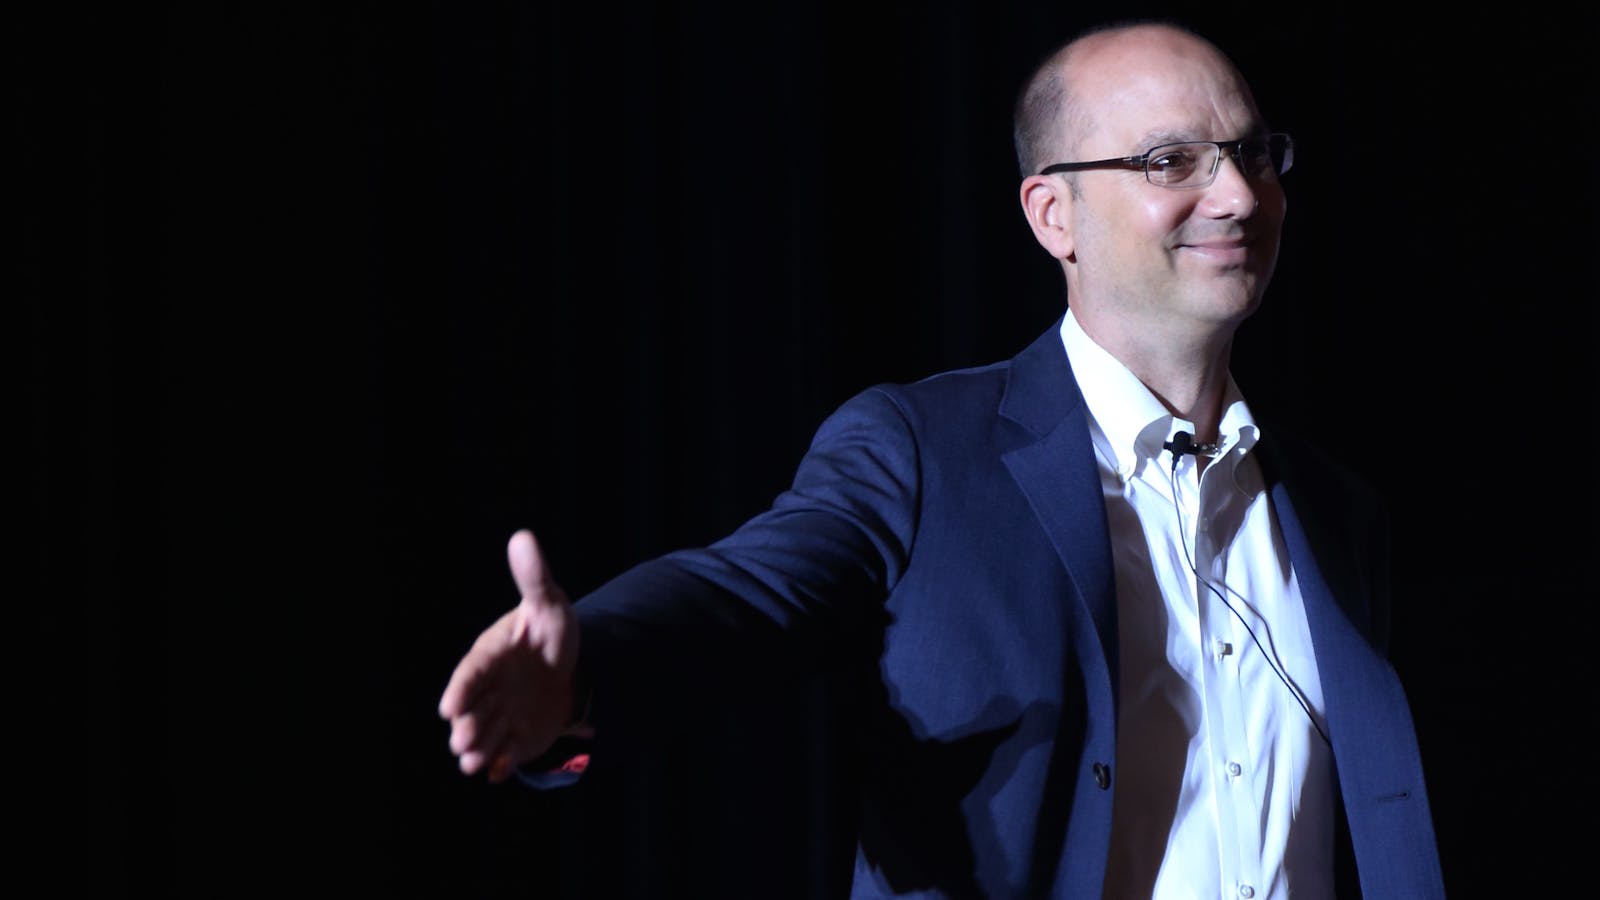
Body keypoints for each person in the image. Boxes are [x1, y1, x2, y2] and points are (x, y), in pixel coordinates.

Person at [439, 20, 1445, 899]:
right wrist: (582, 682)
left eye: (1252, 152)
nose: (1236, 194)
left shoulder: (1334, 510)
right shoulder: (921, 452)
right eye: (1168, 161)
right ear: (1053, 216)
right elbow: (745, 599)